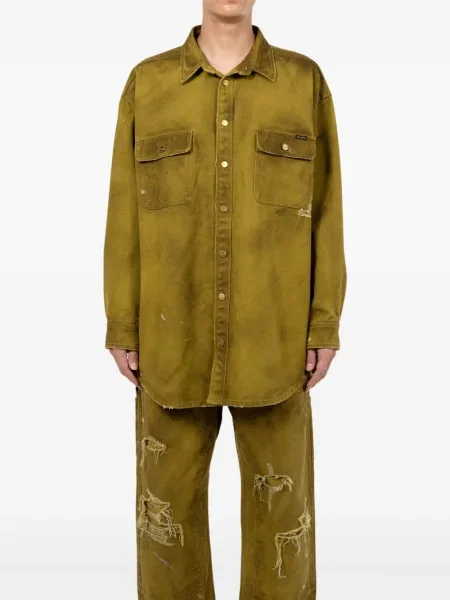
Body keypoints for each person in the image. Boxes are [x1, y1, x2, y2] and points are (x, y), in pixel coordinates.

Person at [103, 0, 346, 598]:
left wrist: (323, 323)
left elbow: (327, 211)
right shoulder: (148, 84)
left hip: (277, 344)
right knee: (165, 519)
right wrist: (123, 323)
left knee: (283, 520)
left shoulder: (303, 82)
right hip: (170, 343)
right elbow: (124, 214)